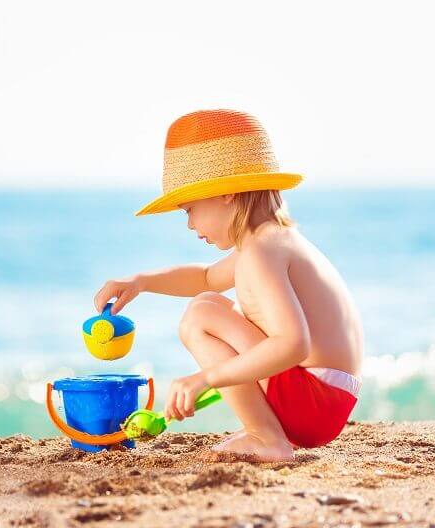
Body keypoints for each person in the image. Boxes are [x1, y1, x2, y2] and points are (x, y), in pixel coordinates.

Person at [93, 109, 363, 462]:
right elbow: (206, 277)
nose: (189, 224)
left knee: (200, 315)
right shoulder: (273, 241)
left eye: (189, 209)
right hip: (326, 400)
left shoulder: (261, 253)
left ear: (226, 194)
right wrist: (143, 282)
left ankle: (267, 438)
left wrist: (207, 378)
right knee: (211, 301)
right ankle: (268, 431)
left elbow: (294, 344)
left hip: (314, 402)